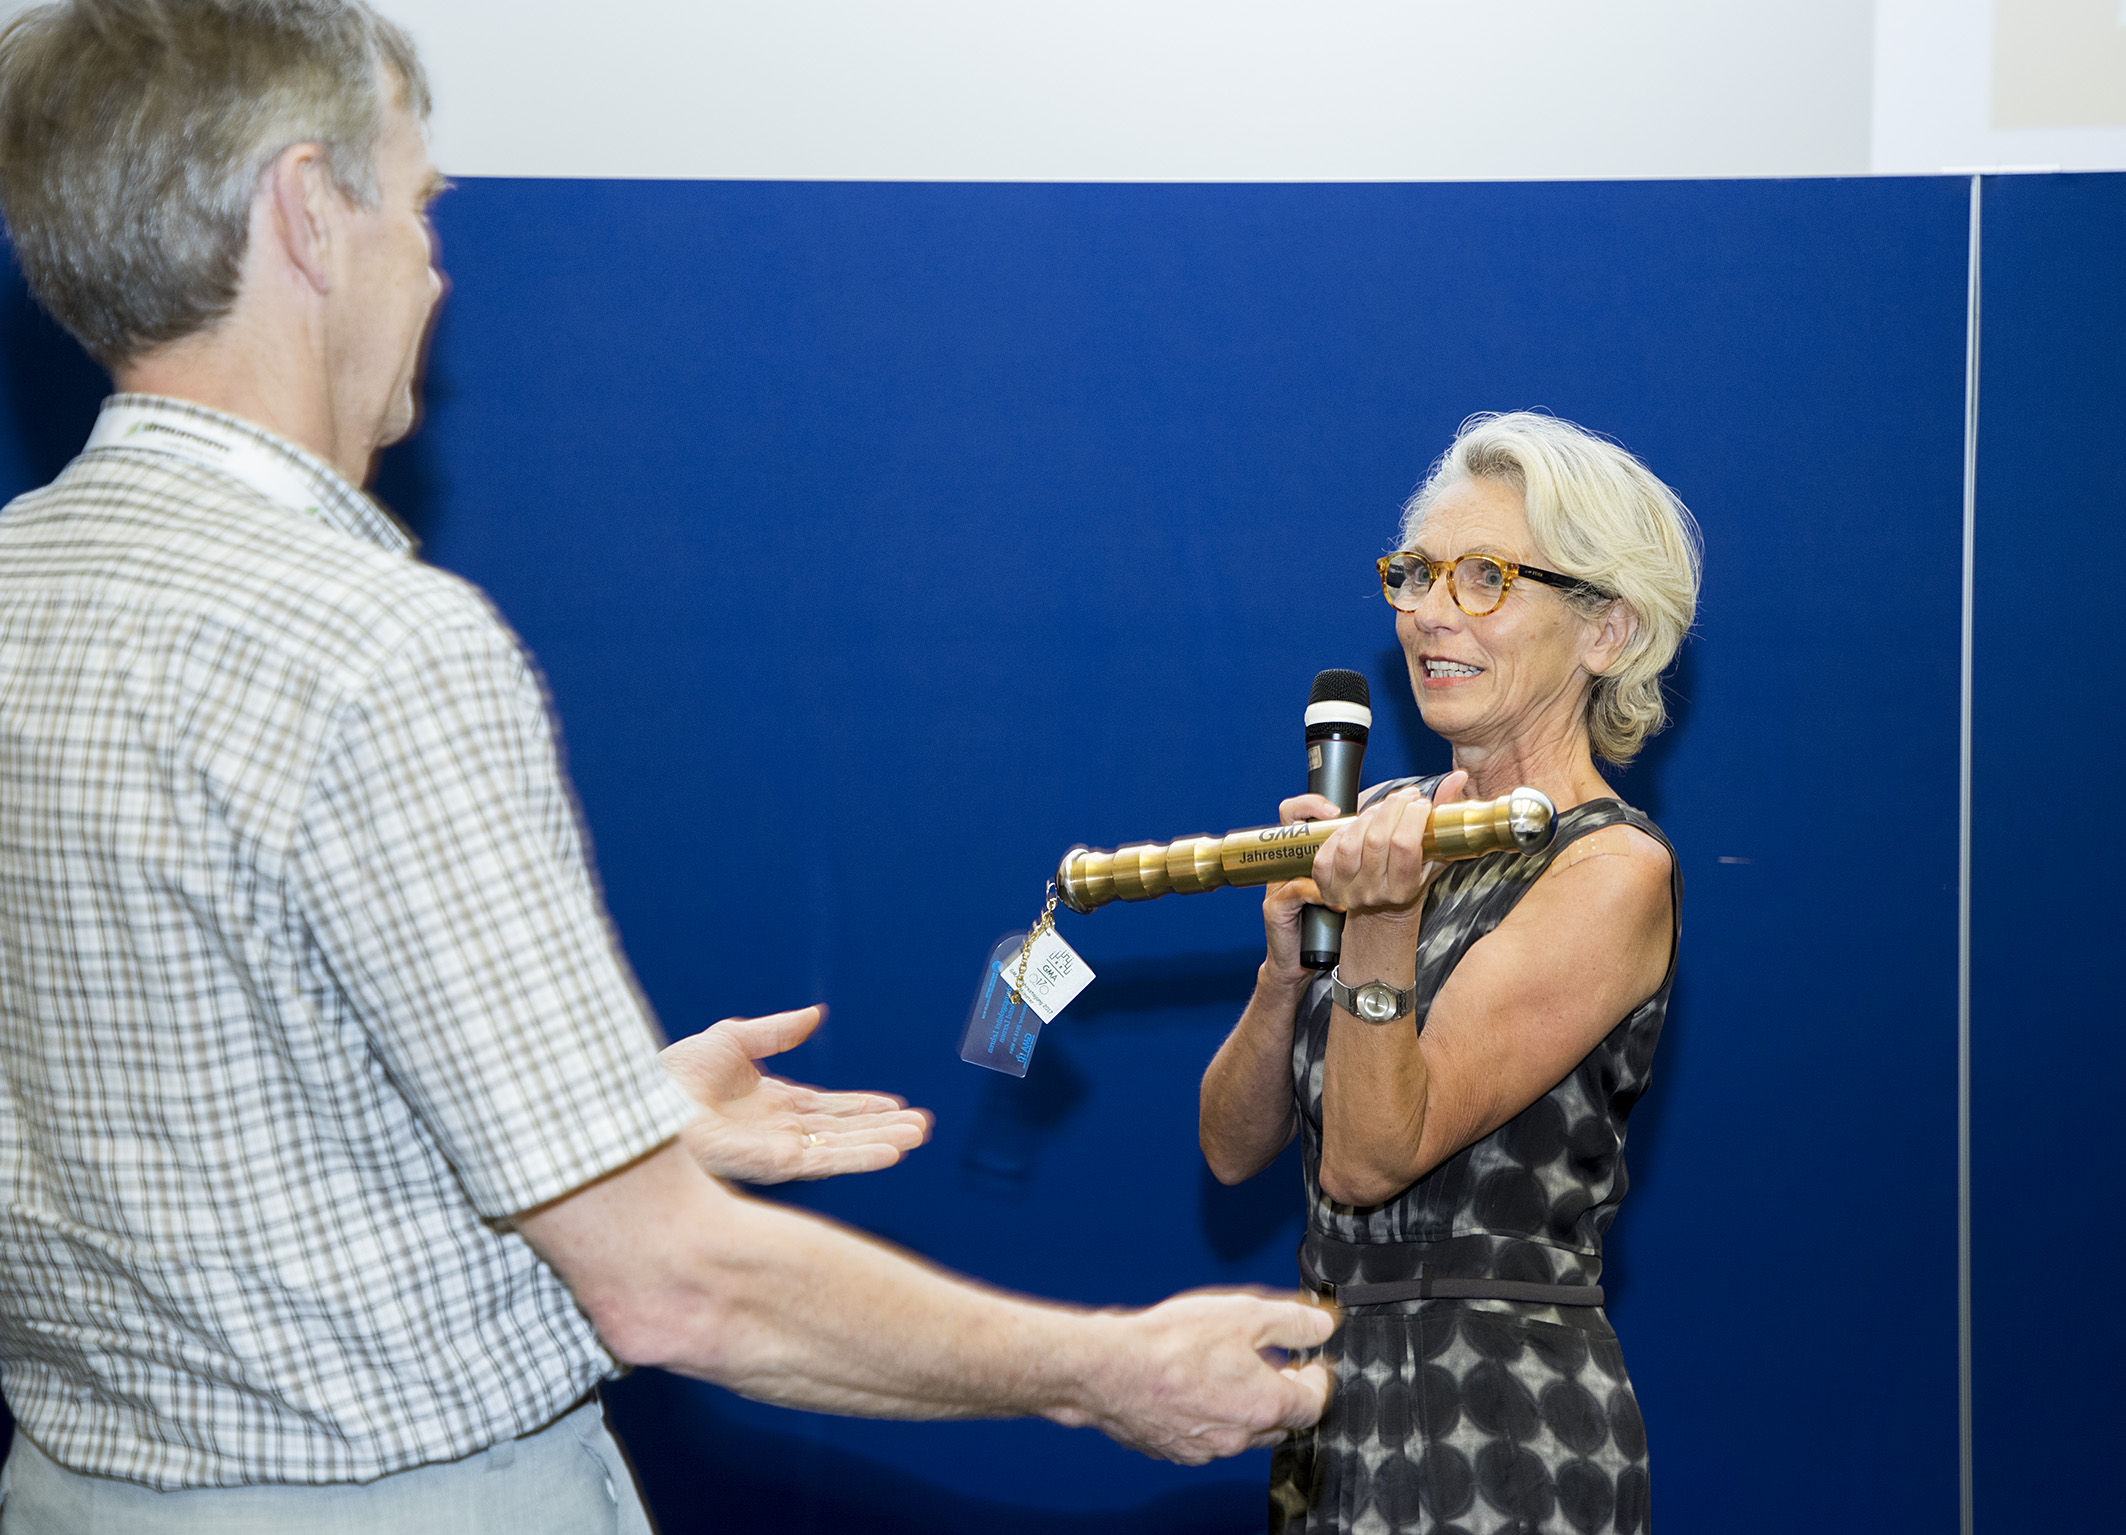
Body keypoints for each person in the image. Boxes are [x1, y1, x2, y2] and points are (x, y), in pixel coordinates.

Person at [0, 3, 1334, 1528]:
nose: (434, 269)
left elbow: (202, 1117)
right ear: (308, 211)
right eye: (418, 208)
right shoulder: (377, 650)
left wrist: (608, 1115)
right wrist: (1103, 1368)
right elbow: (670, 1282)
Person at [1200, 412, 1700, 1534]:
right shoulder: (1381, 819)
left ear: (1606, 629)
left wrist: (1380, 924)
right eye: (1417, 572)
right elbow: (1229, 1151)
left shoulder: (1611, 867)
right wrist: (1283, 971)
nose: (1429, 610)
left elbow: (1370, 1158)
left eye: (1485, 577)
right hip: (1328, 1402)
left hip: (1499, 1415)